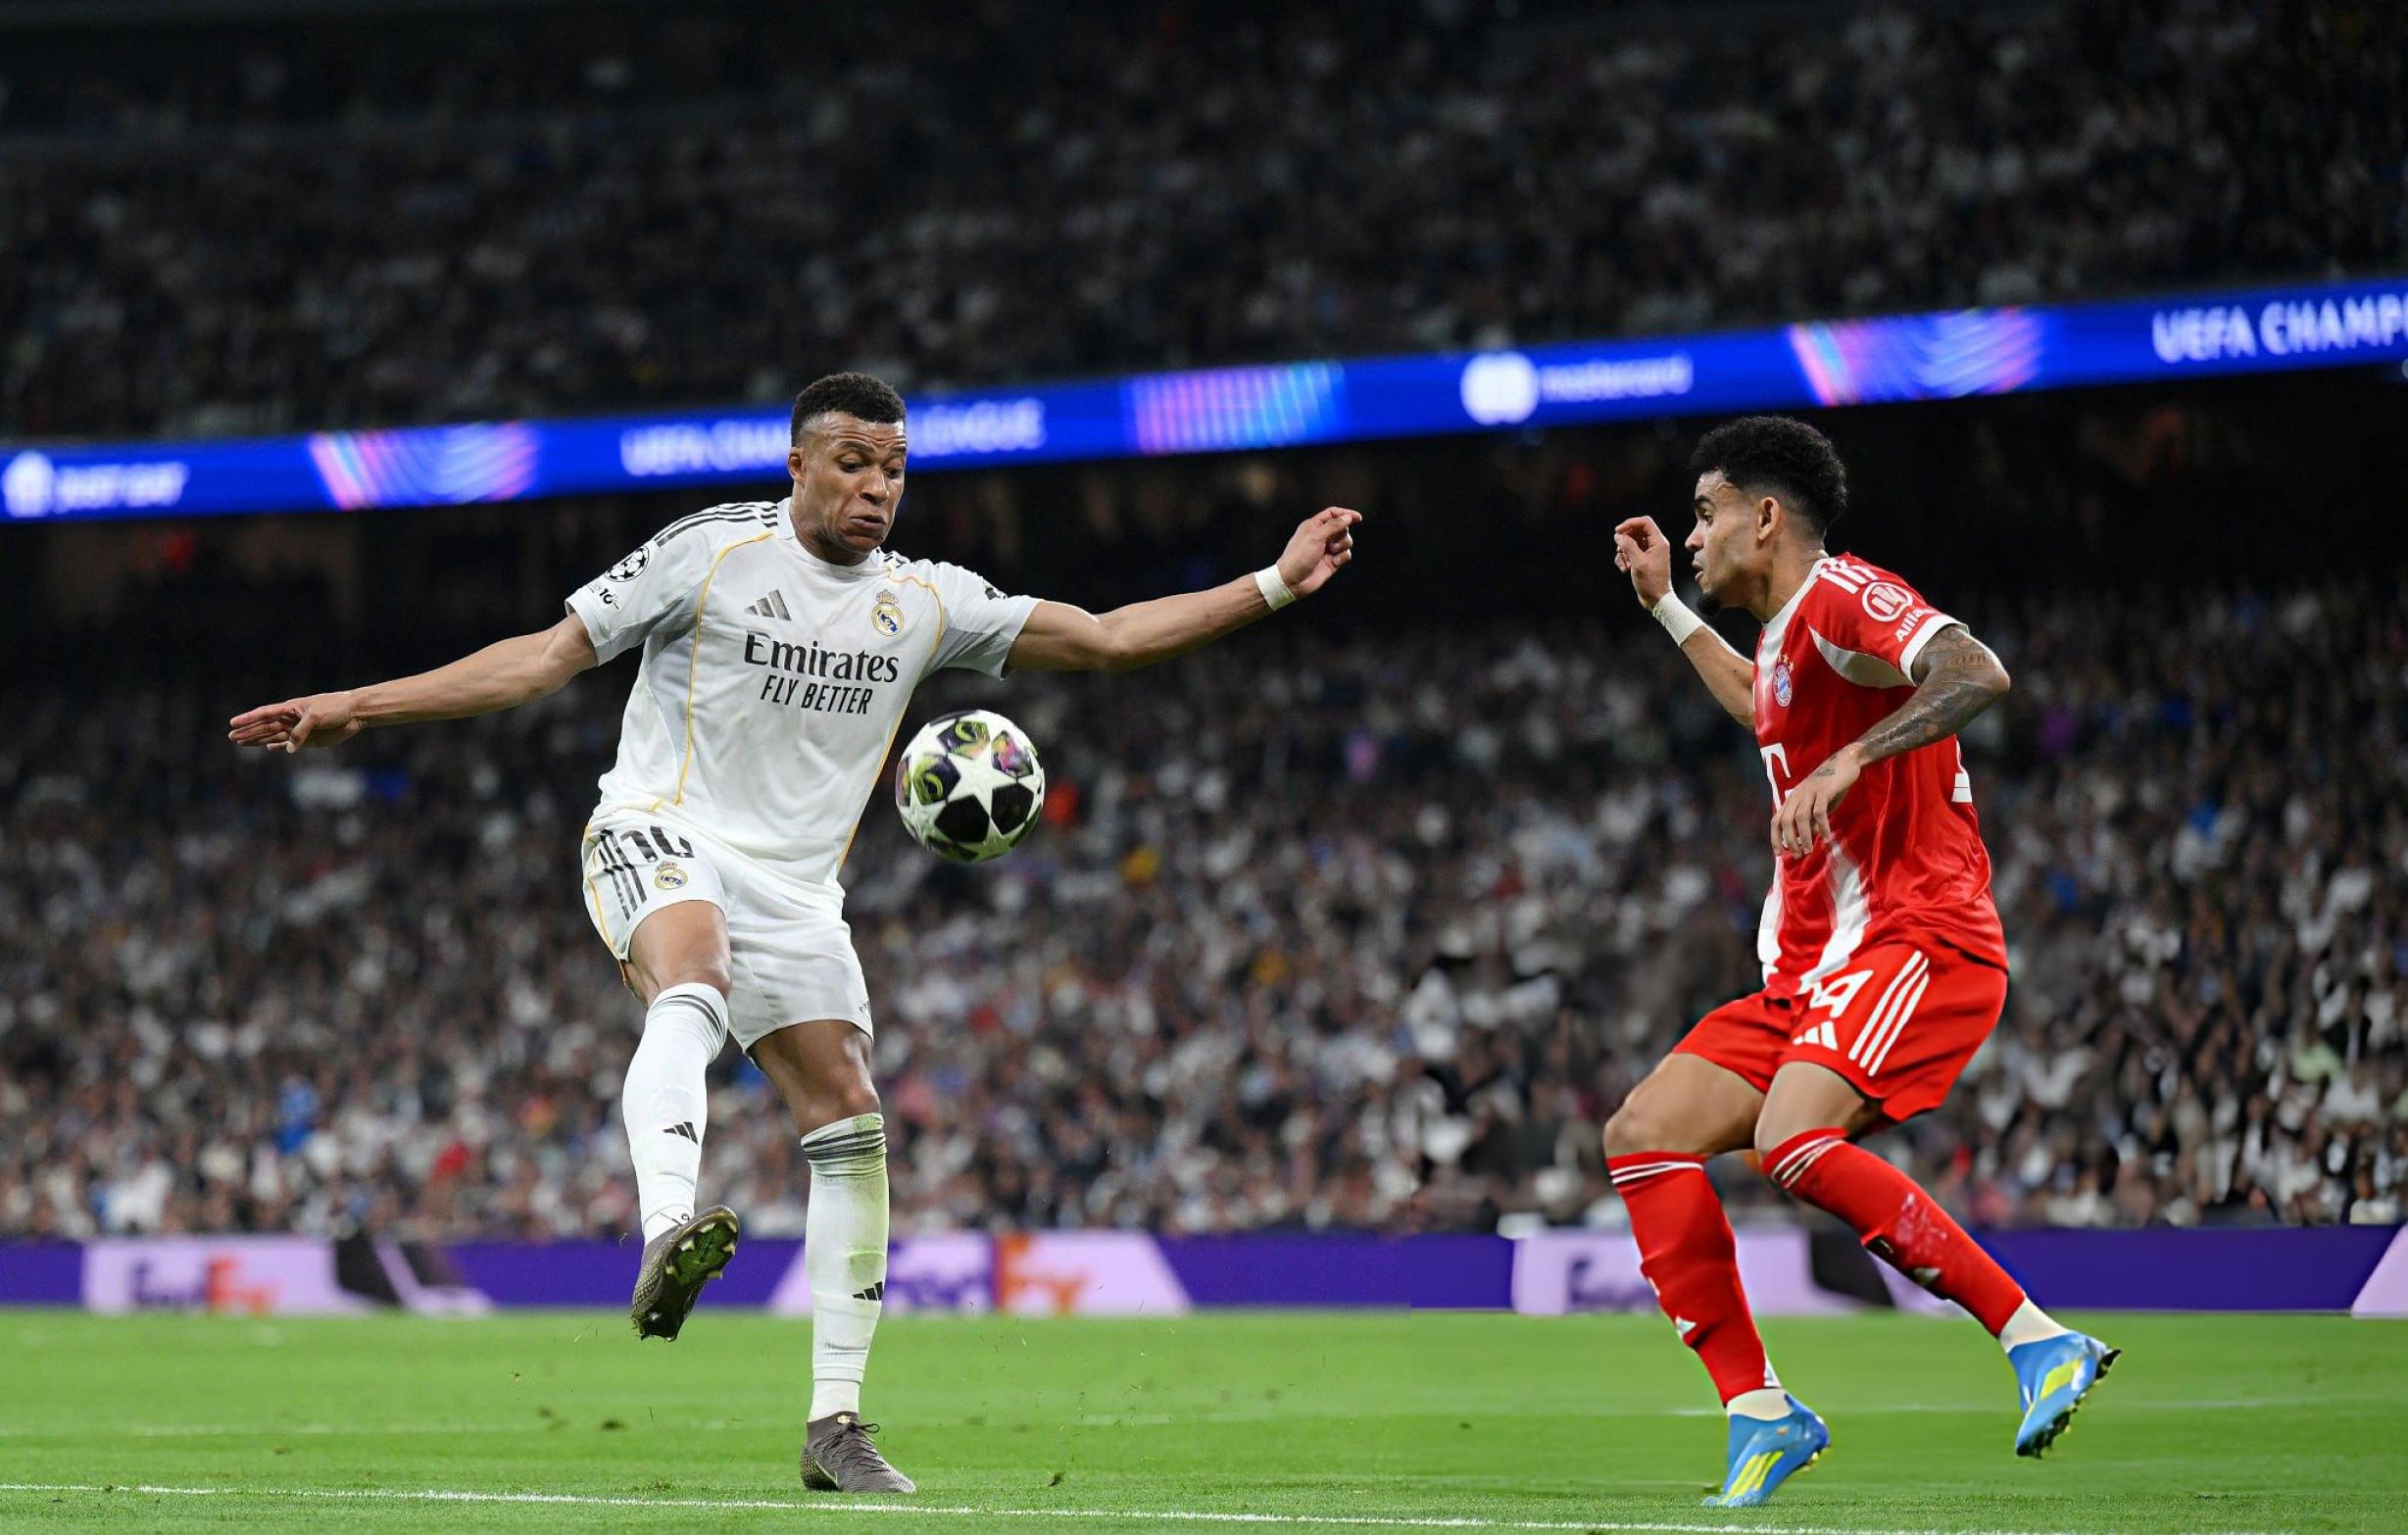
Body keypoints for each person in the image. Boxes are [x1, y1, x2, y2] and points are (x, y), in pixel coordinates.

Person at [229, 371, 1361, 1494]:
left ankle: (836, 1424)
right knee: (697, 973)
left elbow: (1109, 637)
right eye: (854, 464)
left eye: (895, 470)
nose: (878, 489)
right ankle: (666, 1229)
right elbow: (541, 657)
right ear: (799, 465)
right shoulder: (708, 552)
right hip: (661, 828)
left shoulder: (926, 600)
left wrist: (1273, 583)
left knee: (851, 1117)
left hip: (798, 891)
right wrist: (355, 707)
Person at [1605, 416, 2112, 1509]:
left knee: (1791, 1140)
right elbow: (1757, 704)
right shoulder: (1786, 640)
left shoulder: (1843, 596)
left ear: (1765, 518)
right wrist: (1665, 607)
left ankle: (2036, 1338)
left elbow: (1976, 671)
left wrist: (1852, 759)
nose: (1692, 536)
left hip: (1917, 936)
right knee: (1643, 1134)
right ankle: (1760, 1411)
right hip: (1813, 972)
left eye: (1704, 515)